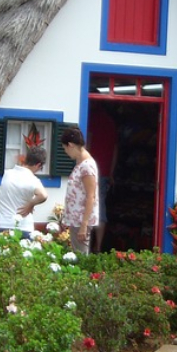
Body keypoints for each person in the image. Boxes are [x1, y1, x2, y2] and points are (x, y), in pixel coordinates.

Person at [0, 145, 48, 237]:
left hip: (1, 225)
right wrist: (31, 204)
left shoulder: (7, 174)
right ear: (38, 165)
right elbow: (43, 195)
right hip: (23, 227)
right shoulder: (33, 180)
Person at [61, 126, 99, 254]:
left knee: (80, 256)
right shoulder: (80, 163)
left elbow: (91, 196)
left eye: (65, 148)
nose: (66, 152)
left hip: (80, 221)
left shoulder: (87, 166)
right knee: (77, 254)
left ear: (70, 145)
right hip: (75, 220)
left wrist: (84, 225)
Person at [87, 106, 118, 252]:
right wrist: (111, 172)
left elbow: (88, 142)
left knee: (89, 206)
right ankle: (98, 246)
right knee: (100, 208)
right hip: (104, 172)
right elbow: (115, 148)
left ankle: (88, 246)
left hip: (91, 171)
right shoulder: (111, 122)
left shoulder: (92, 119)